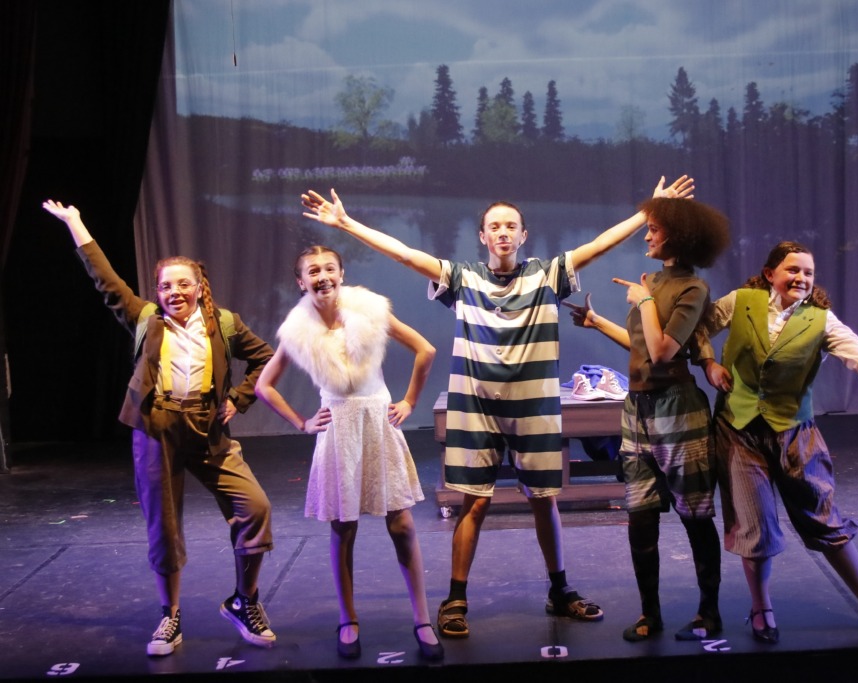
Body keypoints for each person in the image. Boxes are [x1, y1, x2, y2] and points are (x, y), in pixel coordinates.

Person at [300, 175, 694, 638]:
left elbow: (600, 243)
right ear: (483, 237)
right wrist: (346, 224)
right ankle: (457, 597)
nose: (504, 232)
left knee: (544, 501)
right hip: (475, 407)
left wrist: (649, 212)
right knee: (474, 503)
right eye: (495, 226)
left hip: (535, 406)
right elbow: (405, 254)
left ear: (523, 236)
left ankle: (560, 590)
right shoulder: (462, 278)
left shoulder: (547, 275)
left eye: (512, 226)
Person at [41, 200, 277, 656]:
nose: (175, 292)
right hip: (155, 429)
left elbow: (266, 358)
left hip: (208, 430)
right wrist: (76, 223)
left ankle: (244, 600)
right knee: (164, 529)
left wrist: (238, 397)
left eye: (184, 283)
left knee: (256, 508)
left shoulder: (224, 324)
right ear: (157, 291)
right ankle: (170, 617)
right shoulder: (146, 319)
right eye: (166, 285)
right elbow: (105, 279)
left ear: (199, 286)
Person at [695, 240, 858, 643]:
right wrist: (709, 362)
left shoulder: (821, 320)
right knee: (753, 526)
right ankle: (761, 608)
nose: (802, 278)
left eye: (808, 272)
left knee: (825, 521)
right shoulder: (740, 301)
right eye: (793, 270)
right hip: (738, 430)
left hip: (794, 433)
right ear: (771, 273)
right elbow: (699, 327)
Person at [254, 245, 442, 660]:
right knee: (343, 528)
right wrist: (302, 422)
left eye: (329, 268)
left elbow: (425, 349)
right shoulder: (297, 330)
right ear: (300, 282)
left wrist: (409, 401)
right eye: (312, 271)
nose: (322, 276)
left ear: (342, 273)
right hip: (338, 427)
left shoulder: (370, 311)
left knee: (403, 524)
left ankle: (422, 618)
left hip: (377, 420)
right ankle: (348, 618)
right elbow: (263, 386)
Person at [565, 197, 731, 642]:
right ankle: (650, 615)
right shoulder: (651, 282)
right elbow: (641, 347)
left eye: (655, 229)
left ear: (676, 235)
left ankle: (709, 613)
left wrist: (642, 301)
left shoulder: (691, 290)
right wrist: (597, 321)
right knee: (640, 518)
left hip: (678, 411)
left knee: (695, 516)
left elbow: (662, 351)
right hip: (636, 412)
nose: (647, 234)